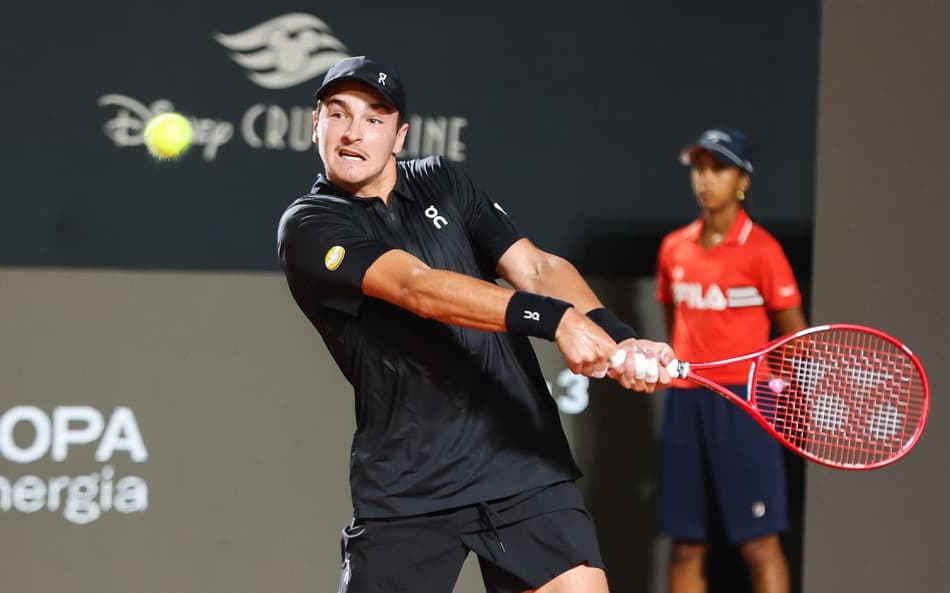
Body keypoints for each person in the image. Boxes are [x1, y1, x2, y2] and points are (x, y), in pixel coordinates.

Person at [277, 56, 675, 593]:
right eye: (338, 113)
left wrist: (620, 337)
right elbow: (417, 288)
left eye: (374, 118)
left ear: (399, 137)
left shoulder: (441, 180)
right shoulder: (309, 226)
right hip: (410, 481)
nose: (353, 132)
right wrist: (555, 320)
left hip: (520, 461)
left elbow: (536, 268)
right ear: (316, 125)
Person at [655, 128, 807, 593]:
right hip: (685, 402)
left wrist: (777, 393)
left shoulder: (763, 251)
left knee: (759, 544)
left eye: (718, 169)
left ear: (742, 180)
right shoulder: (674, 247)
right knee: (685, 545)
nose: (705, 179)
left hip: (745, 403)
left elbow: (794, 338)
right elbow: (673, 322)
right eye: (700, 168)